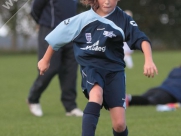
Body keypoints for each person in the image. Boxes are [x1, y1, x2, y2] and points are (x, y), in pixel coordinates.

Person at [37, 0, 158, 135]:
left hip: (114, 72)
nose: (107, 1)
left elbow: (142, 39)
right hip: (91, 66)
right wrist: (45, 59)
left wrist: (148, 60)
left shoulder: (123, 19)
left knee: (119, 125)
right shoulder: (83, 19)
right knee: (96, 94)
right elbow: (57, 37)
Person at [27, 0, 83, 117]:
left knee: (70, 70)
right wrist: (44, 23)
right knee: (50, 68)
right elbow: (35, 10)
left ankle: (70, 107)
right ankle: (33, 99)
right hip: (49, 30)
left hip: (71, 32)